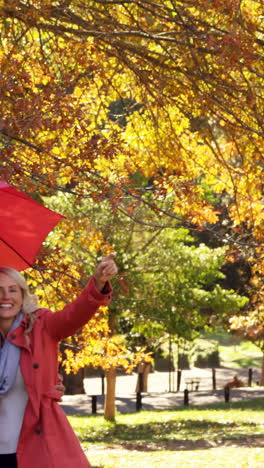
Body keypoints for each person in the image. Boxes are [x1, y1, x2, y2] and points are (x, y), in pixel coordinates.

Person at [0, 253, 118, 468]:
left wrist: (98, 283)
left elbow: (74, 315)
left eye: (12, 290)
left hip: (32, 447)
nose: (5, 297)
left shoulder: (41, 325)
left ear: (23, 294)